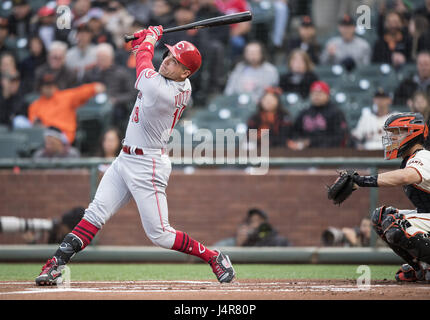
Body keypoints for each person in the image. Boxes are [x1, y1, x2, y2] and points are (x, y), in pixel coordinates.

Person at [35, 26, 236, 286]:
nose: (168, 61)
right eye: (169, 55)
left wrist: (149, 40)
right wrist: (143, 44)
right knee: (94, 214)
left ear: (186, 73)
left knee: (160, 235)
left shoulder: (166, 92)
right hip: (125, 158)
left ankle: (214, 257)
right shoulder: (173, 79)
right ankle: (54, 265)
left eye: (176, 62)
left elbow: (143, 65)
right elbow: (145, 60)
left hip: (148, 165)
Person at [330, 112, 430, 282]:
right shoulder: (410, 159)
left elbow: (406, 176)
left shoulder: (424, 156)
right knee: (379, 217)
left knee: (392, 220)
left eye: (397, 132)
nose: (392, 138)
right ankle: (420, 267)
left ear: (413, 132)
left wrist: (362, 180)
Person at [28, 72, 106, 144]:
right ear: (41, 88)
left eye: (52, 85)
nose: (50, 88)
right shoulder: (35, 105)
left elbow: (80, 93)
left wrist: (94, 88)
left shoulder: (65, 97)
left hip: (64, 135)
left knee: (51, 135)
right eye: (47, 86)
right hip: (45, 136)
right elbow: (34, 125)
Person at [81, 43, 135, 130]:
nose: (101, 60)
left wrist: (116, 99)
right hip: (92, 104)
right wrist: (91, 89)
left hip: (114, 106)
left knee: (110, 111)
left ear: (111, 58)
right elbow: (80, 91)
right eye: (99, 58)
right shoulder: (89, 73)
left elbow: (132, 94)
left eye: (104, 58)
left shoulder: (122, 73)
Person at [288, 81, 350, 150]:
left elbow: (340, 136)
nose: (316, 96)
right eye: (314, 93)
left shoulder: (336, 113)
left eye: (320, 93)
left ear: (327, 95)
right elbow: (295, 132)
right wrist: (299, 141)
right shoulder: (304, 113)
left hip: (330, 152)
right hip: (306, 153)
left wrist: (311, 142)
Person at [214, 208, 290, 247]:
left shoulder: (278, 241)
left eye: (259, 221)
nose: (256, 225)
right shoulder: (245, 240)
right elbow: (215, 251)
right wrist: (239, 244)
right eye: (253, 221)